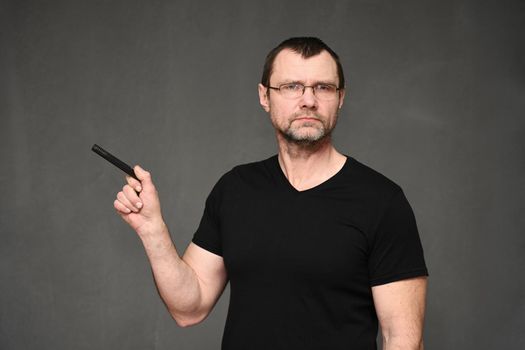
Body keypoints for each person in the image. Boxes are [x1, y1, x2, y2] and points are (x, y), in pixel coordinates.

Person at [113, 37, 428, 350]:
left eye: (323, 87)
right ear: (265, 96)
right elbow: (188, 308)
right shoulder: (235, 189)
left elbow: (402, 339)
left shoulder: (381, 201)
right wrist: (153, 230)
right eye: (291, 86)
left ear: (340, 97)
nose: (308, 100)